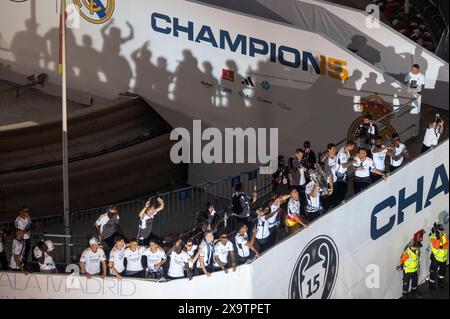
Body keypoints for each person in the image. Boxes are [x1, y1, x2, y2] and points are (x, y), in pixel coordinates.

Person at [334, 140, 356, 205]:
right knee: (342, 188)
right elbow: (343, 165)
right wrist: (352, 162)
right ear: (350, 146)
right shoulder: (342, 153)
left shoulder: (345, 149)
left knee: (345, 186)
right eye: (353, 147)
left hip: (344, 172)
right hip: (340, 173)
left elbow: (348, 159)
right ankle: (340, 201)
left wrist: (352, 159)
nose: (353, 148)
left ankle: (341, 200)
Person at [428, 223, 448, 291]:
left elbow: (447, 246)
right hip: (435, 258)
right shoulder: (432, 237)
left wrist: (441, 247)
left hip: (444, 259)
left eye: (442, 230)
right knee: (433, 273)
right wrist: (438, 238)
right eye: (440, 230)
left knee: (442, 273)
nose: (441, 231)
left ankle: (440, 284)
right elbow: (436, 246)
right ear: (436, 230)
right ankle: (431, 287)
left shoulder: (445, 235)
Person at [323, 143, 337, 209]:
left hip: (335, 180)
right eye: (333, 149)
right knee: (330, 199)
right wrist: (331, 187)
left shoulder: (335, 157)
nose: (335, 150)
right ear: (329, 150)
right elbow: (329, 176)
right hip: (330, 183)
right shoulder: (326, 161)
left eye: (335, 149)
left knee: (335, 198)